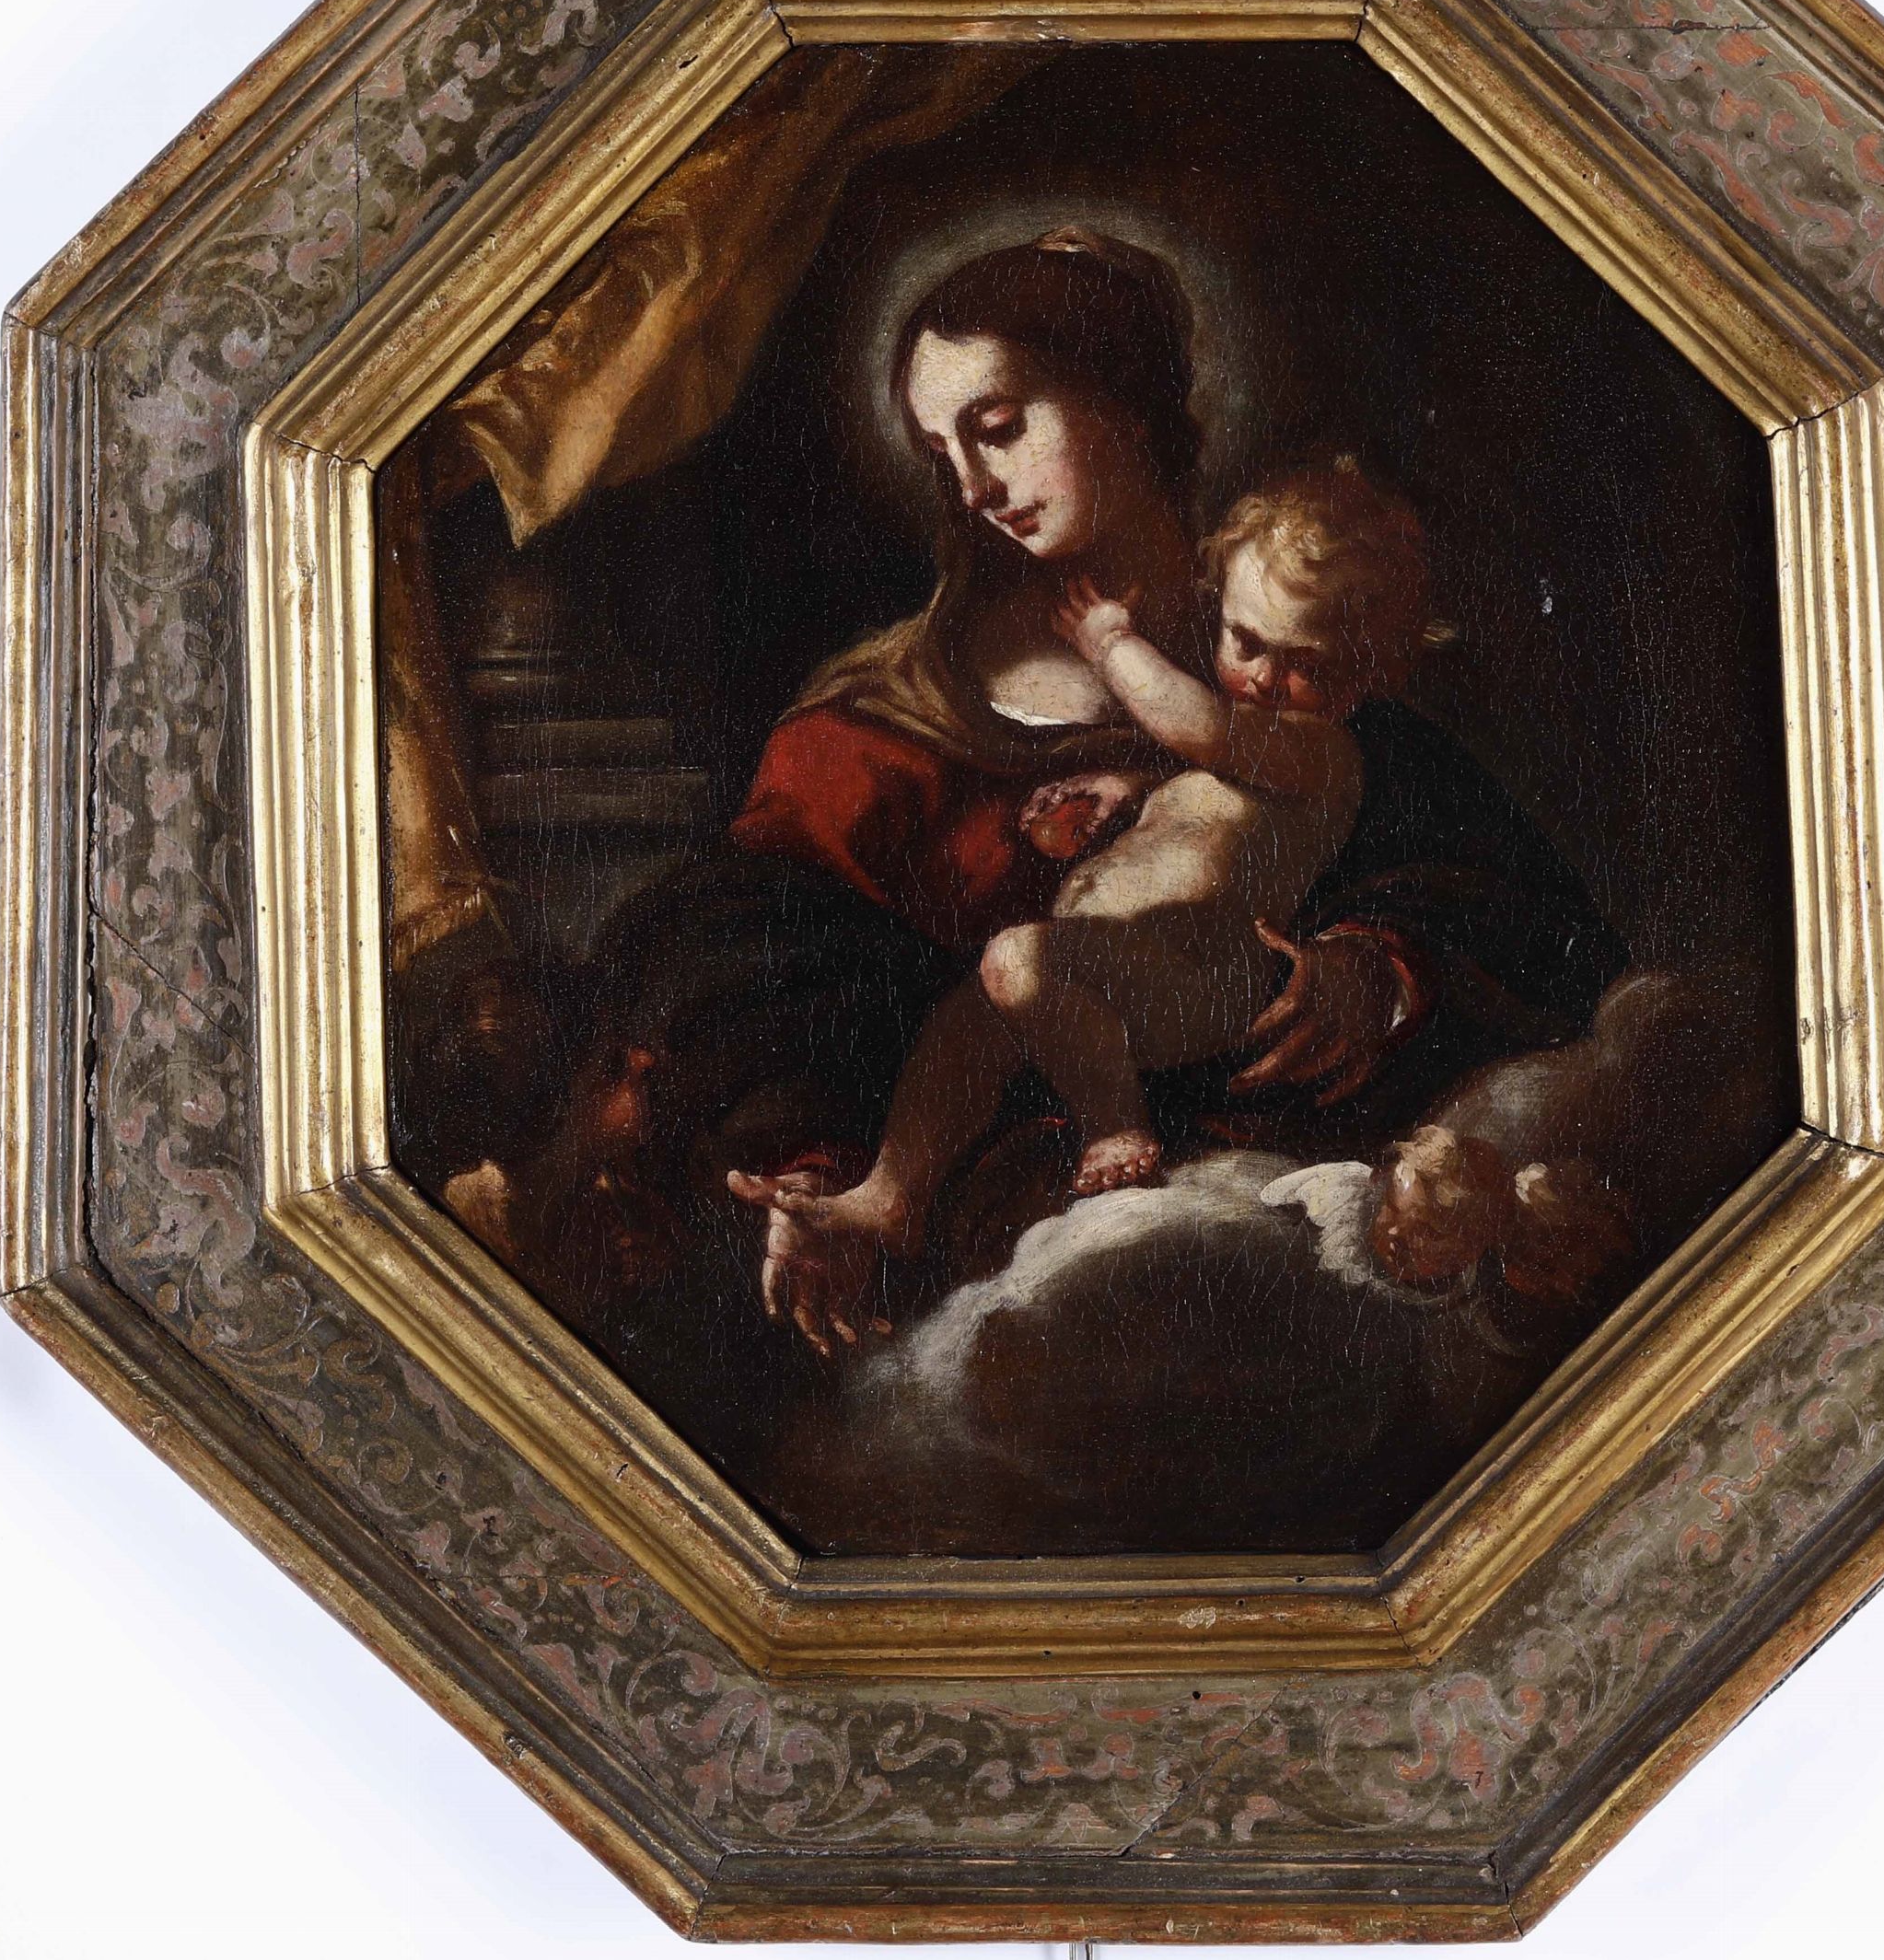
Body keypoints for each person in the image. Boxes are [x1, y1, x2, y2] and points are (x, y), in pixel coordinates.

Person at [676, 227, 1626, 1354]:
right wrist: (812, 1173)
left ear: (1123, 401)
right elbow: (772, 989)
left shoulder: (1296, 660)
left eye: (997, 427)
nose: (973, 488)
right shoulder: (859, 737)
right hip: (1013, 1263)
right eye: (943, 453)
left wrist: (1380, 969)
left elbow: (1520, 914)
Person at [744, 458, 1443, 1293]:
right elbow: (1206, 792)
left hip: (1203, 979)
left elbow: (1199, 727)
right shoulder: (1259, 750)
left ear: (1366, 671)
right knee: (972, 1019)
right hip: (1122, 961)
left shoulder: (1320, 748)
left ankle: (1115, 1125)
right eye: (1246, 641)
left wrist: (1111, 644)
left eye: (1308, 665)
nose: (1263, 677)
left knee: (1015, 961)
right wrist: (1125, 793)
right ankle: (894, 1193)